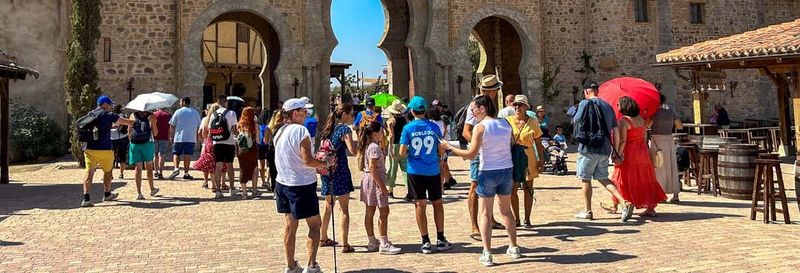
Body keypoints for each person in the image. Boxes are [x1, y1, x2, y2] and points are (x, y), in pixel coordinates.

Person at [443, 95, 521, 266]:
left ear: (482, 108)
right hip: (506, 169)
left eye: (474, 110)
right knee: (507, 211)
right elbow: (512, 143)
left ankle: (487, 252)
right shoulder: (506, 123)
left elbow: (471, 153)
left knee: (485, 213)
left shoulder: (481, 127)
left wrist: (450, 148)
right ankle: (514, 246)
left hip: (488, 171)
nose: (472, 113)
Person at [274, 98, 329, 273]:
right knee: (314, 225)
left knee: (290, 226)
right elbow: (307, 160)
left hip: (282, 183)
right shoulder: (300, 131)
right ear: (295, 113)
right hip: (301, 184)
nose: (306, 114)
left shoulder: (280, 131)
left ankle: (290, 265)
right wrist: (325, 163)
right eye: (304, 111)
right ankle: (311, 265)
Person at [572, 81, 634, 221]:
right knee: (603, 177)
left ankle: (588, 211)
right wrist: (616, 151)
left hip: (587, 148)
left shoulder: (584, 103)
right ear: (597, 91)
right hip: (605, 148)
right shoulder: (608, 106)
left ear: (587, 92)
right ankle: (624, 202)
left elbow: (576, 120)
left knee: (585, 179)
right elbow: (616, 130)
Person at [399, 96, 453, 254]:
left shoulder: (408, 128)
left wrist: (413, 152)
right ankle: (441, 239)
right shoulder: (433, 126)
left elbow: (402, 152)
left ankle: (425, 241)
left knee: (420, 205)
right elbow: (441, 149)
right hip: (433, 170)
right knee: (437, 203)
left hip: (415, 171)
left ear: (412, 111)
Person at [607, 97, 668, 217]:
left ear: (624, 107)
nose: (618, 107)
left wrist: (618, 154)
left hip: (629, 152)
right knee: (645, 178)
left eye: (619, 105)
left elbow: (623, 140)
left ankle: (618, 203)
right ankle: (650, 208)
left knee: (621, 177)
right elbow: (645, 137)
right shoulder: (641, 119)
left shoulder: (623, 121)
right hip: (642, 151)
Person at [462, 75, 505, 240]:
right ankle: (474, 225)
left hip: (491, 152)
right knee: (474, 186)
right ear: (492, 90)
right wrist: (478, 145)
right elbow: (466, 131)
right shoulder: (475, 106)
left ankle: (490, 219)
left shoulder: (492, 106)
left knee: (490, 187)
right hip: (479, 153)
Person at [317, 103, 358, 253]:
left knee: (328, 206)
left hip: (327, 172)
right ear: (345, 114)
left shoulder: (327, 130)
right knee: (344, 209)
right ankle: (345, 244)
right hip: (340, 171)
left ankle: (322, 237)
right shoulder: (344, 130)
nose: (353, 117)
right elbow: (353, 150)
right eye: (352, 114)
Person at [81, 96, 134, 207]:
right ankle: (107, 194)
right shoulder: (109, 115)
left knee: (89, 173)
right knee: (108, 172)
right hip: (104, 149)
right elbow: (127, 122)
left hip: (89, 149)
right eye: (109, 104)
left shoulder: (91, 114)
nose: (110, 107)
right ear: (105, 104)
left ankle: (86, 199)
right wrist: (134, 120)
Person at [358, 121, 402, 255]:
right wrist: (382, 187)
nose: (384, 134)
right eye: (382, 131)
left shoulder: (368, 145)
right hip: (375, 181)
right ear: (376, 134)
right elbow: (373, 168)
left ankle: (372, 241)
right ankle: (384, 242)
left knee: (369, 211)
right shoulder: (374, 148)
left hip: (368, 180)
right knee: (384, 211)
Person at [505, 95, 542, 228]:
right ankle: (516, 218)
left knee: (528, 188)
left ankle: (527, 218)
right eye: (515, 105)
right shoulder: (507, 121)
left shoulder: (533, 121)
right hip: (513, 157)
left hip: (529, 156)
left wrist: (541, 160)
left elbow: (538, 141)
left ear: (526, 106)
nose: (517, 107)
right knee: (513, 189)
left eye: (520, 105)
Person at [650, 94, 683, 203]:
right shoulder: (670, 112)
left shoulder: (653, 113)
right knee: (671, 165)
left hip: (657, 139)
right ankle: (676, 195)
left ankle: (661, 194)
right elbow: (680, 126)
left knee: (658, 167)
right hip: (669, 139)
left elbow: (648, 125)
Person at [209, 94, 239, 198]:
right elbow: (235, 130)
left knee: (218, 166)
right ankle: (232, 188)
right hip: (229, 142)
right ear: (226, 102)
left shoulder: (213, 114)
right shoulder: (231, 113)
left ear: (218, 102)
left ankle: (218, 190)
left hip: (217, 143)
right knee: (230, 166)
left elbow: (210, 131)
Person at [192, 103, 226, 189]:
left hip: (208, 143)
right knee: (221, 163)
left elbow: (201, 133)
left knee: (209, 164)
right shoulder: (221, 118)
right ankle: (222, 183)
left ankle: (209, 183)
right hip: (220, 142)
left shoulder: (205, 119)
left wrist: (203, 141)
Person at [128, 109, 160, 200]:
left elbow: (129, 131)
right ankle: (152, 189)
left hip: (134, 144)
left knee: (138, 168)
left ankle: (139, 193)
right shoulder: (151, 116)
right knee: (149, 167)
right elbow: (155, 133)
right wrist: (153, 122)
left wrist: (131, 142)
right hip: (147, 144)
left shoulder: (132, 115)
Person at [168, 97, 201, 180]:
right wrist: (197, 136)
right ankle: (186, 173)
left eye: (180, 102)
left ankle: (176, 168)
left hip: (179, 137)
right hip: (190, 137)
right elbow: (198, 126)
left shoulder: (178, 112)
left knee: (176, 153)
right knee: (187, 155)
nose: (180, 103)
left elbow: (172, 125)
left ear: (183, 102)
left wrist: (171, 135)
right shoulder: (195, 112)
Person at [384, 100, 408, 198]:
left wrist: (389, 148)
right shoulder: (405, 120)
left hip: (394, 145)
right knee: (405, 169)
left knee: (393, 168)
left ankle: (391, 190)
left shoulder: (391, 121)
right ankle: (409, 190)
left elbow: (391, 136)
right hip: (403, 145)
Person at [237, 107, 261, 199]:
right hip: (252, 149)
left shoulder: (239, 125)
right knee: (254, 168)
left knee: (242, 169)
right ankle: (254, 191)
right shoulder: (255, 125)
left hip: (242, 150)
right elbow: (258, 140)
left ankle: (244, 193)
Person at [110, 104, 129, 179]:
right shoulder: (123, 115)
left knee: (112, 157)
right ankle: (121, 173)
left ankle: (110, 173)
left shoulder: (110, 116)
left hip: (113, 137)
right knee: (122, 156)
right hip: (122, 137)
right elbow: (127, 124)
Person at [152, 108, 172, 179]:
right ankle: (160, 172)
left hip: (154, 137)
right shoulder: (168, 115)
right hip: (164, 137)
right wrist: (170, 137)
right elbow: (170, 128)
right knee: (162, 155)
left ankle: (156, 171)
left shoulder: (153, 114)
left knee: (155, 155)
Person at [257, 111, 273, 190]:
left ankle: (263, 181)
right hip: (268, 146)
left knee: (261, 165)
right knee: (269, 165)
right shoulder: (269, 126)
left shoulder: (259, 126)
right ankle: (267, 180)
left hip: (260, 146)